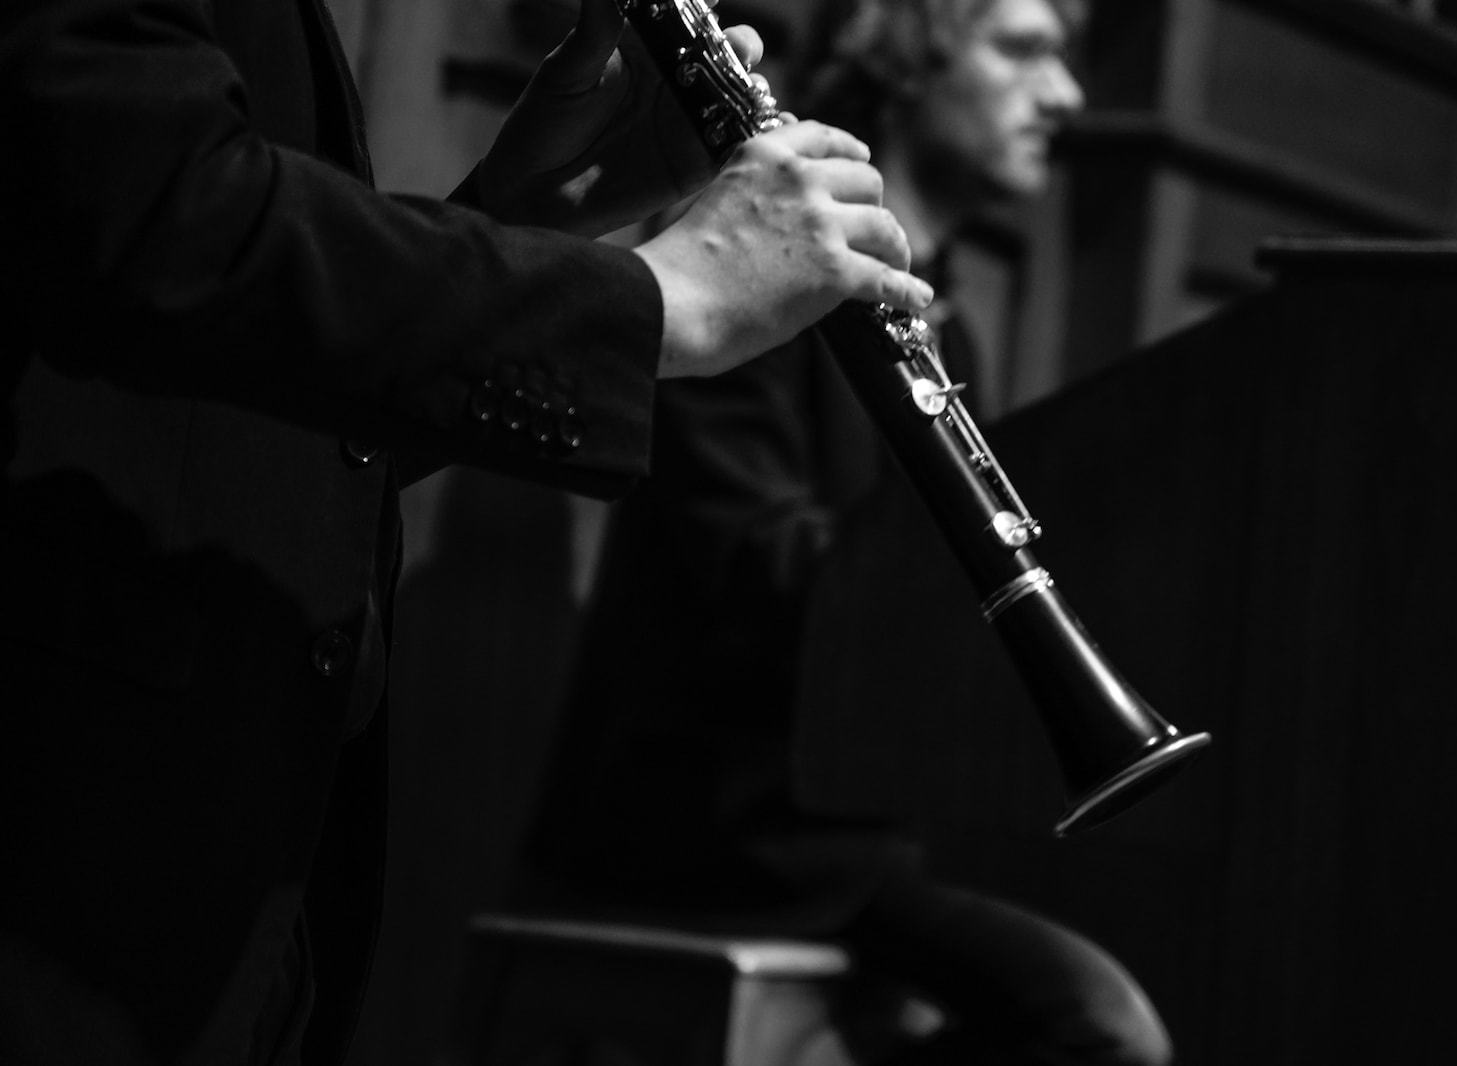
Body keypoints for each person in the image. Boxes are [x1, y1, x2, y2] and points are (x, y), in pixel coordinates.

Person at [0, 0, 934, 1061]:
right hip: (67, 849)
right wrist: (649, 301)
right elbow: (154, 210)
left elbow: (207, 391)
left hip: (192, 865)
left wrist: (522, 221)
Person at [522, 0, 1174, 1063]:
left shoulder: (935, 317)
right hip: (716, 835)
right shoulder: (765, 271)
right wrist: (986, 587)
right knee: (1096, 1026)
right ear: (907, 62)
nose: (1064, 97)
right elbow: (748, 578)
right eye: (1021, 51)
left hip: (848, 839)